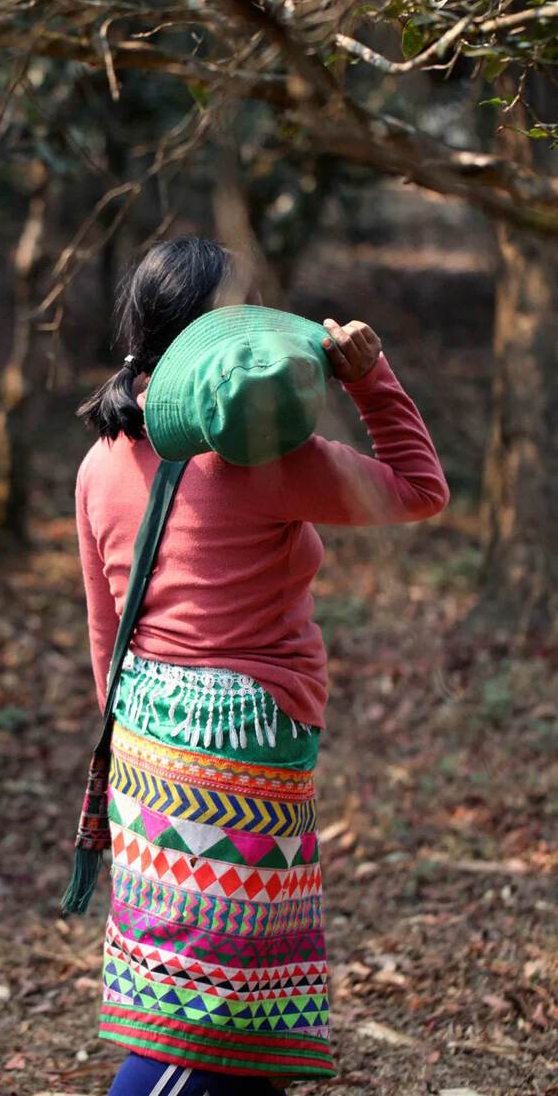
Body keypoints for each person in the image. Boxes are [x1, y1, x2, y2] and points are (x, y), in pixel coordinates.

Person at [74, 236, 449, 1095]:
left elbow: (107, 633)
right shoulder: (269, 460)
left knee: (236, 1000)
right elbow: (422, 486)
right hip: (241, 749)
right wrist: (369, 376)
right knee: (208, 1010)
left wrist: (140, 753)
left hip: (143, 742)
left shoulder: (100, 462)